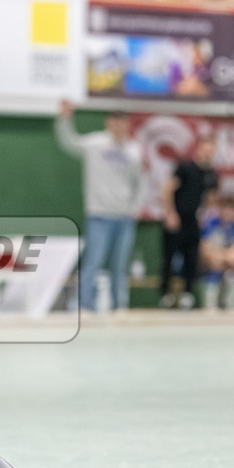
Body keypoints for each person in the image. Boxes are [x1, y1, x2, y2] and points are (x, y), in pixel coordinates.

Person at [55, 101, 144, 313]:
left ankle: (119, 306)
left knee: (119, 266)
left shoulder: (134, 151)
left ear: (128, 125)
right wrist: (64, 119)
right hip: (99, 216)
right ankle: (85, 306)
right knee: (93, 263)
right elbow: (69, 142)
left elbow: (139, 183)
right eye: (115, 122)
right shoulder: (95, 143)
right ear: (108, 123)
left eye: (123, 122)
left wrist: (134, 209)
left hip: (124, 218)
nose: (119, 126)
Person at [161, 134, 218, 309]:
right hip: (177, 220)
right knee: (169, 258)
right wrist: (171, 214)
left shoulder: (211, 174)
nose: (207, 153)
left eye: (211, 151)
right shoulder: (185, 168)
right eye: (205, 149)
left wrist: (204, 215)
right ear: (198, 149)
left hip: (193, 222)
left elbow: (210, 197)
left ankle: (187, 294)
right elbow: (168, 189)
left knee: (192, 259)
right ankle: (166, 295)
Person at [199, 194, 234, 310]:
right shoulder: (211, 224)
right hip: (214, 270)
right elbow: (205, 251)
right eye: (225, 208)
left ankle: (232, 303)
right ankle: (210, 305)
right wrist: (226, 257)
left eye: (232, 209)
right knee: (214, 268)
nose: (228, 212)